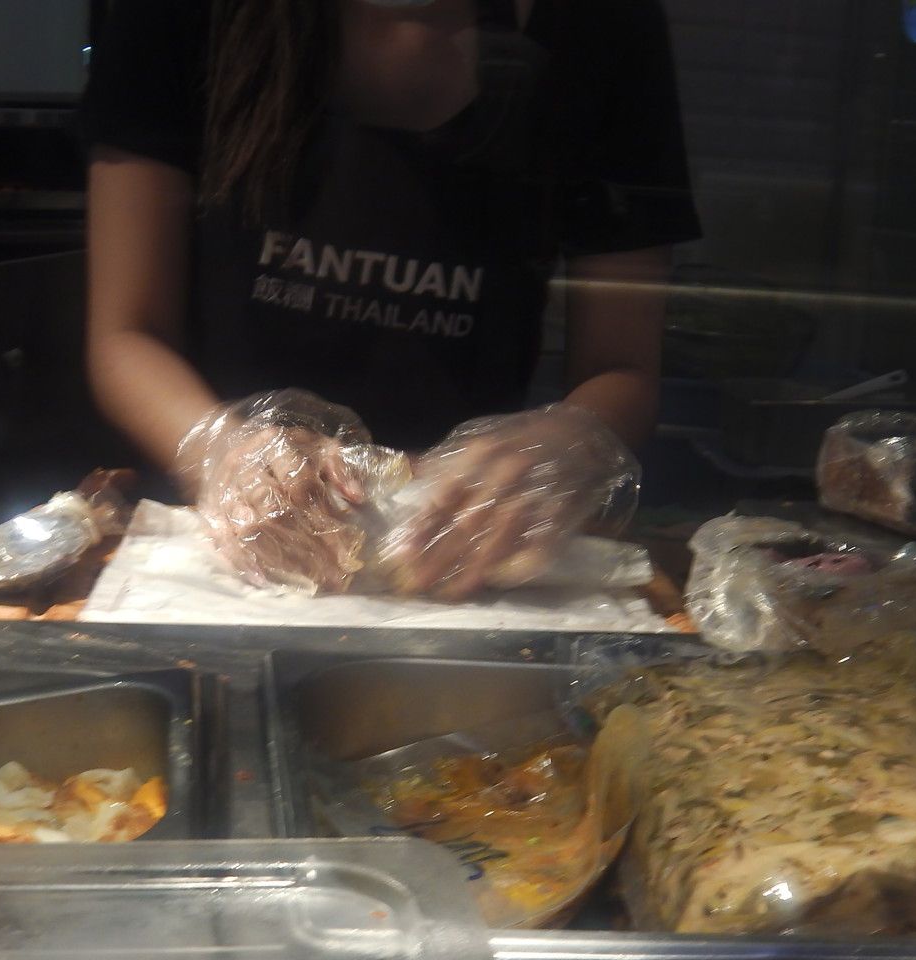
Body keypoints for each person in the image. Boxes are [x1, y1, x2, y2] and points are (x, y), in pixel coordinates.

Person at [81, 0, 699, 597]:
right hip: (222, 550)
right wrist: (220, 452)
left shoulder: (603, 22)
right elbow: (128, 334)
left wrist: (567, 443)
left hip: (469, 557)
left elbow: (622, 369)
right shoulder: (183, 13)